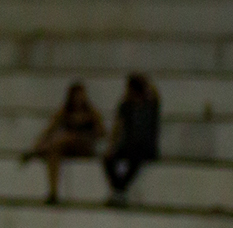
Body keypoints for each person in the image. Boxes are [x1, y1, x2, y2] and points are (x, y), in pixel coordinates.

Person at [22, 82, 105, 204]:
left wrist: (85, 128)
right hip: (67, 146)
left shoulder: (91, 113)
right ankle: (53, 192)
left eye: (80, 95)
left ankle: (39, 151)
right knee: (54, 152)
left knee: (66, 137)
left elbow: (101, 132)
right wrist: (39, 141)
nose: (78, 98)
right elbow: (50, 129)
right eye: (76, 96)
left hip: (84, 146)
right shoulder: (65, 112)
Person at [103, 74, 161, 207]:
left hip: (146, 148)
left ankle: (118, 190)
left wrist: (144, 84)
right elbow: (117, 127)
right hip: (129, 146)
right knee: (108, 159)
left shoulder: (150, 105)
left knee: (135, 157)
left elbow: (155, 94)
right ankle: (119, 189)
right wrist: (111, 147)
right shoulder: (126, 106)